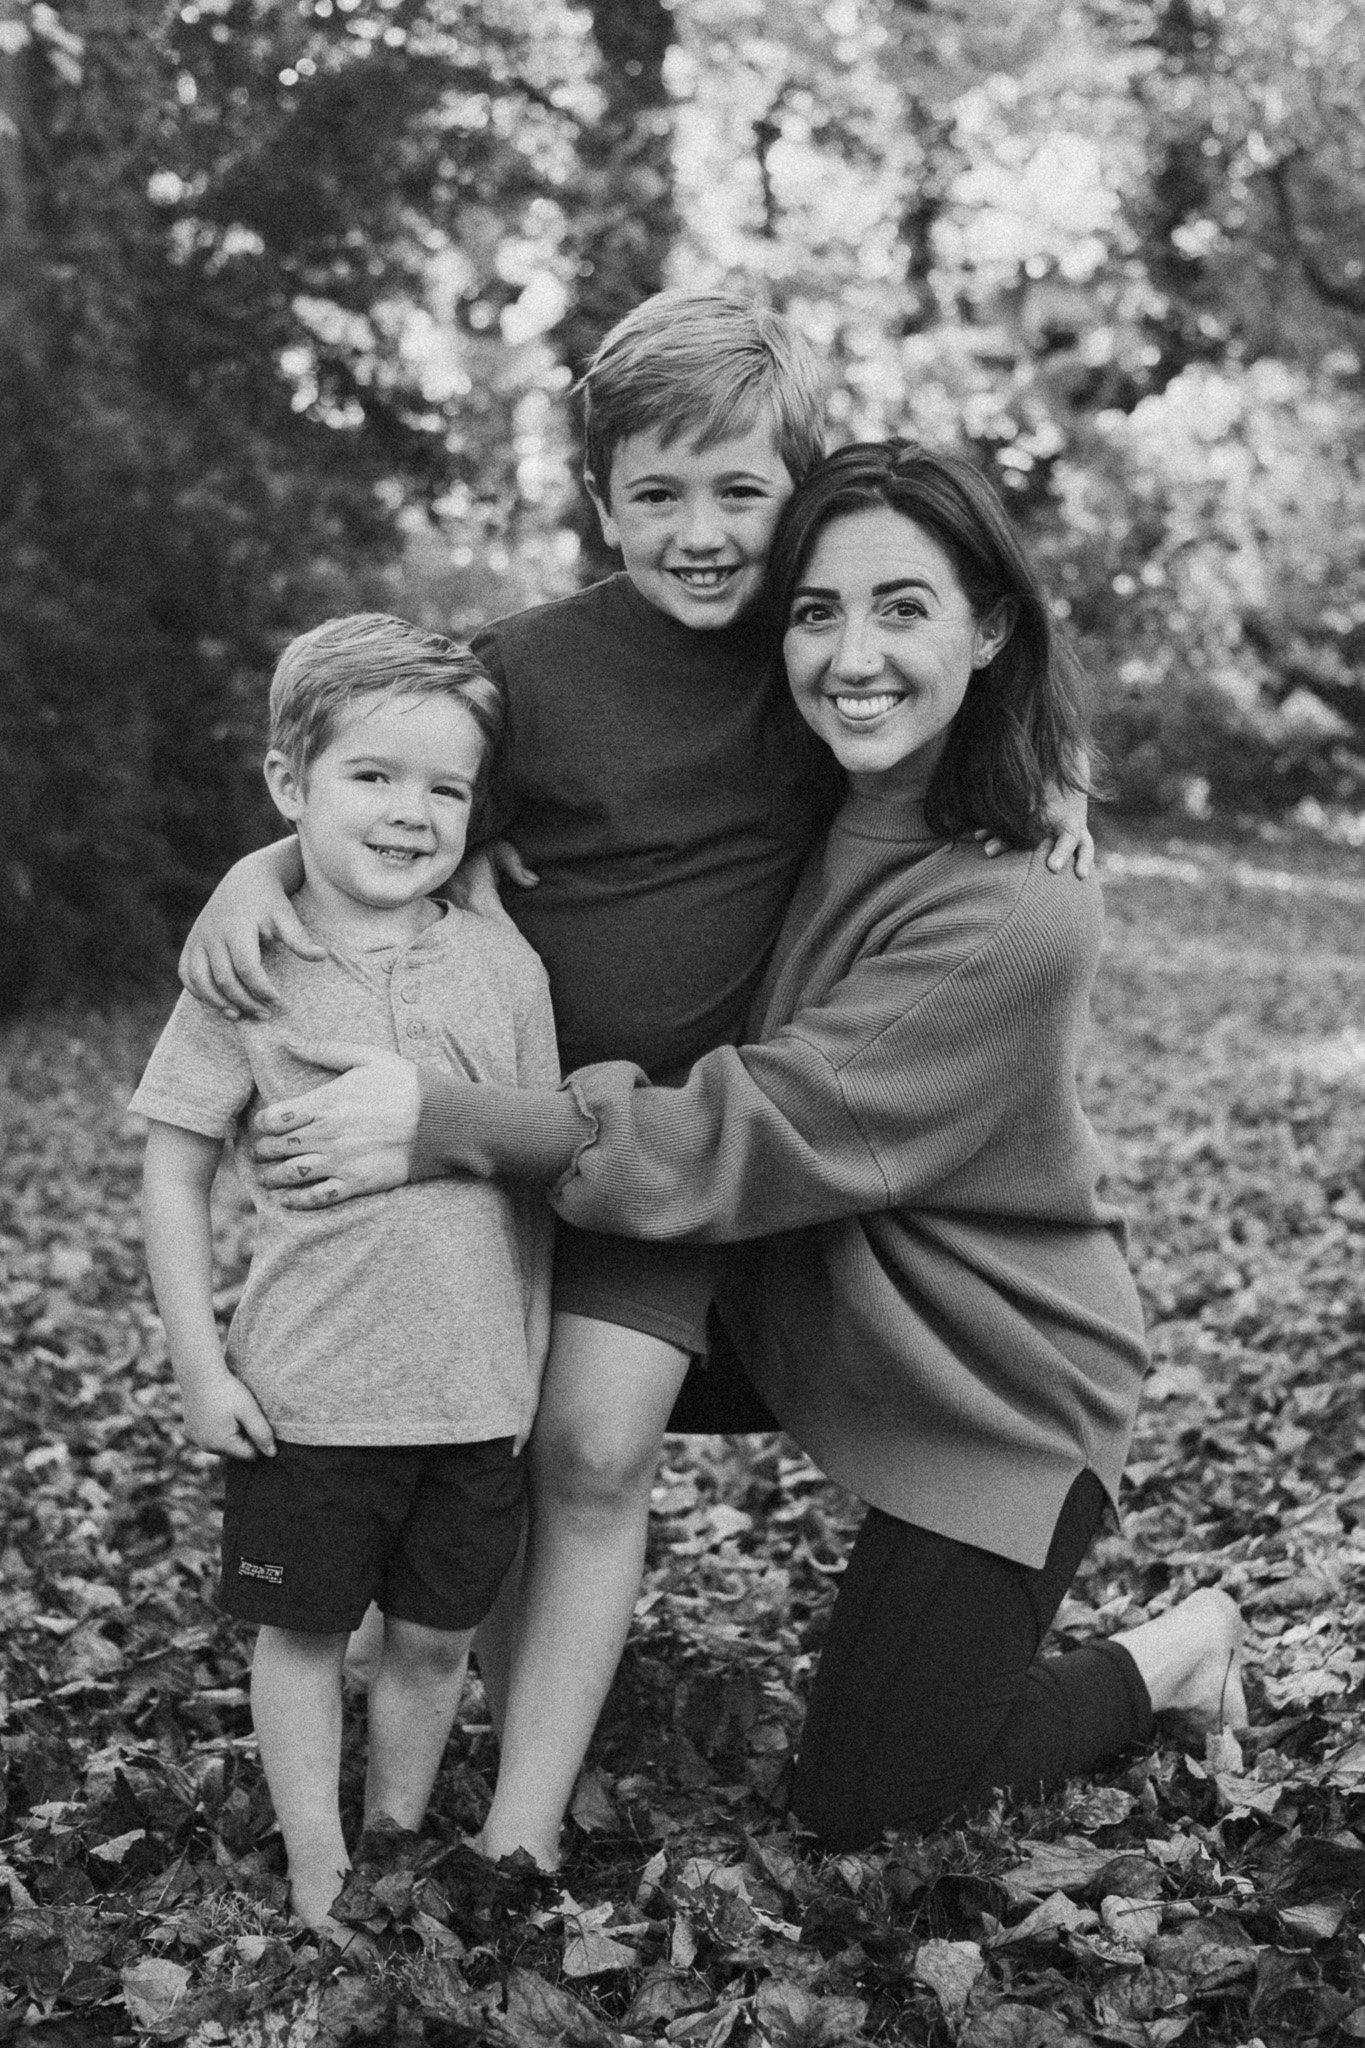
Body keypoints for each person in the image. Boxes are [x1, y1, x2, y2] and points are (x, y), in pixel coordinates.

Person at [176, 294, 1091, 1871]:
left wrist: (1070, 781)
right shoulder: (526, 669)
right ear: (599, 499)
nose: (700, 532)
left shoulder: (813, 662)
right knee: (507, 1439)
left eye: (741, 491)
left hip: (660, 1149)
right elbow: (383, 780)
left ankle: (522, 1829)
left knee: (594, 1448)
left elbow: (962, 700)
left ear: (795, 493)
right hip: (490, 1131)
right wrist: (255, 869)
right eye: (653, 492)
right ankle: (467, 1738)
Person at [131, 615, 558, 1940]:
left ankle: (392, 1836)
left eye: (444, 788)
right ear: (287, 786)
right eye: (372, 776)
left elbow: (540, 1170)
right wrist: (200, 1368)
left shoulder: (501, 965)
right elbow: (173, 1167)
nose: (410, 811)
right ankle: (318, 1863)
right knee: (305, 1637)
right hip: (308, 1398)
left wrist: (529, 1363)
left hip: (472, 1401)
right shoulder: (244, 968)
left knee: (433, 1646)